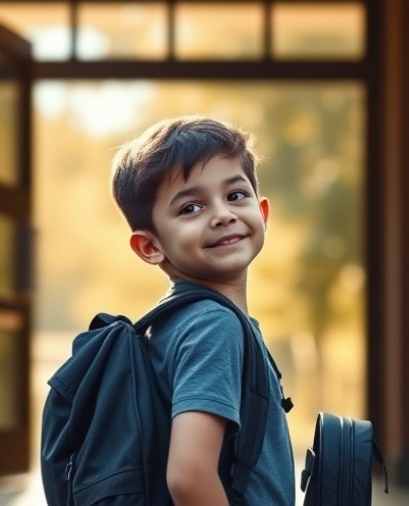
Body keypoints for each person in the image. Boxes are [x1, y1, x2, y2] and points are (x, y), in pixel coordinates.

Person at [111, 116, 295, 505]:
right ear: (150, 247)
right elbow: (189, 476)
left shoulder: (180, 322)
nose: (223, 214)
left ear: (262, 212)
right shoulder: (213, 327)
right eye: (191, 207)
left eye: (235, 195)